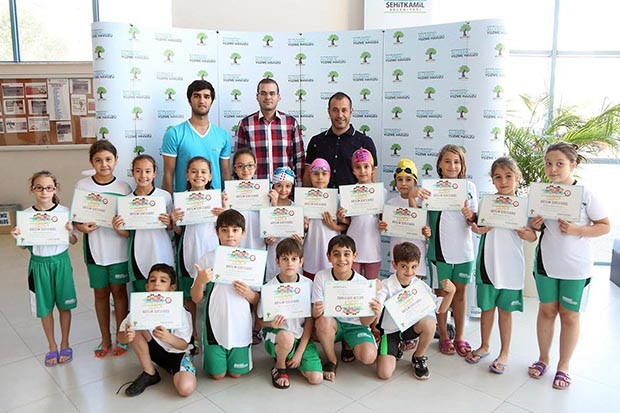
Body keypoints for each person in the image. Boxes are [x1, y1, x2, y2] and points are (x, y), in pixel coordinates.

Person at [527, 142, 609, 390]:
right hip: (546, 264)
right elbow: (531, 227)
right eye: (549, 163)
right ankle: (543, 358)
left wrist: (577, 230)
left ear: (573, 165)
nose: (553, 169)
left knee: (570, 316)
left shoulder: (586, 195)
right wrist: (535, 225)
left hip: (576, 267)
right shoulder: (541, 194)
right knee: (547, 311)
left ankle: (564, 366)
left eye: (559, 164)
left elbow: (604, 226)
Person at [465, 157, 537, 374]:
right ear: (492, 180)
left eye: (508, 176)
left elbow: (532, 237)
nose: (503, 181)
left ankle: (504, 352)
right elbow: (478, 229)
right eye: (498, 177)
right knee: (486, 309)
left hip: (511, 266)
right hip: (487, 264)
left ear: (517, 177)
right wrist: (476, 227)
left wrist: (526, 233)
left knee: (505, 311)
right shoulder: (487, 203)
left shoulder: (525, 206)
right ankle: (485, 346)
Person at [10, 171, 78, 367]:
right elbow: (24, 246)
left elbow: (74, 241)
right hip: (38, 265)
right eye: (39, 188)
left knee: (64, 305)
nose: (44, 192)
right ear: (32, 189)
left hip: (61, 263)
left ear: (55, 189)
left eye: (49, 188)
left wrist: (69, 232)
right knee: (45, 308)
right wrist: (18, 237)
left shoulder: (64, 212)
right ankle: (52, 346)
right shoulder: (26, 216)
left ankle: (65, 343)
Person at [74, 140, 132, 358]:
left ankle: (121, 337)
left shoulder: (124, 188)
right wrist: (82, 227)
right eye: (98, 160)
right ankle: (105, 338)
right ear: (91, 162)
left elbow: (130, 221)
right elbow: (76, 219)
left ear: (116, 160)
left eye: (108, 159)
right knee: (100, 293)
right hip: (95, 249)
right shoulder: (83, 186)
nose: (104, 164)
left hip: (118, 249)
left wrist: (121, 226)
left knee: (119, 292)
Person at [190, 209, 260, 379]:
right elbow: (196, 298)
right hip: (214, 323)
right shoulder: (207, 259)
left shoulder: (250, 259)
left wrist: (248, 293)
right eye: (224, 230)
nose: (230, 235)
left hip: (240, 324)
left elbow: (256, 299)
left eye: (235, 230)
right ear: (217, 232)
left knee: (236, 374)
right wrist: (200, 281)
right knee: (218, 375)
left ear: (243, 233)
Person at [424, 144, 477, 358]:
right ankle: (444, 335)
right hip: (439, 253)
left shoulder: (469, 187)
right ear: (439, 164)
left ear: (462, 165)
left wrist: (470, 216)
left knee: (461, 295)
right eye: (447, 161)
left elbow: (476, 220)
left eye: (456, 162)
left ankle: (460, 337)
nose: (452, 166)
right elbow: (419, 216)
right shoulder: (431, 188)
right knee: (442, 294)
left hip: (464, 252)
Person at [376, 242, 455, 380]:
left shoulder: (419, 285)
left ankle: (418, 357)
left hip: (410, 329)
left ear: (418, 265)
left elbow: (440, 308)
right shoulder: (386, 285)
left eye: (413, 267)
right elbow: (379, 302)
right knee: (384, 374)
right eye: (404, 266)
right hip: (390, 332)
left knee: (430, 324)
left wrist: (451, 293)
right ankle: (394, 348)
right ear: (394, 265)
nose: (409, 272)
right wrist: (376, 303)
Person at [170, 156, 224, 350]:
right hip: (189, 251)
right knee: (189, 295)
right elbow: (178, 231)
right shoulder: (181, 200)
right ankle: (191, 334)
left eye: (203, 172)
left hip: (212, 250)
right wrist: (174, 220)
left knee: (214, 293)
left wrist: (223, 214)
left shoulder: (217, 199)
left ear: (210, 176)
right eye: (193, 171)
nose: (198, 175)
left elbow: (226, 229)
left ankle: (215, 333)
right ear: (187, 175)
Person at [311, 234, 381, 381]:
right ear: (329, 257)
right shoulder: (321, 277)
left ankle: (348, 342)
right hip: (333, 324)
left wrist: (374, 313)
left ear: (355, 256)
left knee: (369, 357)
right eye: (336, 254)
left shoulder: (363, 284)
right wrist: (316, 311)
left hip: (355, 326)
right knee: (322, 321)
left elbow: (365, 322)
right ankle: (331, 360)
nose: (342, 259)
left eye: (347, 254)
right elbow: (316, 314)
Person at [121, 264, 196, 397]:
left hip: (178, 353)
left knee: (186, 389)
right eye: (152, 280)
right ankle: (149, 372)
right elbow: (120, 336)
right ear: (147, 286)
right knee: (134, 326)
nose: (157, 284)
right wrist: (126, 337)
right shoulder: (139, 310)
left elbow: (183, 345)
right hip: (155, 351)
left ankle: (178, 370)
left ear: (172, 288)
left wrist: (169, 338)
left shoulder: (180, 312)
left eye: (163, 281)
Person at [257, 238, 323, 389]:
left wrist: (299, 352)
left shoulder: (308, 284)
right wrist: (271, 324)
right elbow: (260, 320)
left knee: (316, 378)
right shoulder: (269, 288)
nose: (289, 263)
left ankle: (293, 356)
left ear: (301, 262)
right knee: (286, 337)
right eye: (285, 259)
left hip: (300, 336)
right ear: (277, 261)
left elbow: (309, 321)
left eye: (294, 259)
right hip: (278, 335)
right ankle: (280, 366)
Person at [112, 155, 174, 293]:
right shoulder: (126, 201)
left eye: (148, 171)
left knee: (164, 287)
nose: (143, 175)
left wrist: (169, 223)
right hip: (138, 250)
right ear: (132, 172)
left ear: (155, 173)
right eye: (138, 171)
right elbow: (128, 233)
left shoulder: (165, 196)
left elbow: (171, 228)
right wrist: (117, 228)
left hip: (161, 248)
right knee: (141, 290)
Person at [161, 79, 231, 193]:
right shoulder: (174, 134)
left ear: (211, 101)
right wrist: (168, 201)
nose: (202, 100)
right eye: (197, 96)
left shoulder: (223, 135)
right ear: (189, 100)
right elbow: (168, 174)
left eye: (206, 97)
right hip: (185, 201)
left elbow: (225, 173)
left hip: (215, 201)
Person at [235, 78, 305, 185]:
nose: (268, 97)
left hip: (284, 190)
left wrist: (298, 186)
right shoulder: (245, 124)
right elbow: (238, 161)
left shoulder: (291, 123)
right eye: (263, 93)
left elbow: (299, 158)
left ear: (278, 97)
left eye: (272, 93)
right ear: (257, 97)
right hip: (255, 189)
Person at [303, 92, 377, 188]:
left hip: (355, 197)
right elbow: (307, 180)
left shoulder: (365, 142)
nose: (340, 115)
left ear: (351, 111)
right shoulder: (316, 141)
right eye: (335, 110)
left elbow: (372, 181)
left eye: (344, 110)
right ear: (329, 111)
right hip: (322, 197)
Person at [379, 158, 431, 279]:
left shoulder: (423, 202)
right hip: (398, 254)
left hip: (416, 253)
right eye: (399, 179)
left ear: (415, 182)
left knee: (415, 287)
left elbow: (422, 225)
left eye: (408, 180)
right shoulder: (391, 203)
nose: (403, 183)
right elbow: (385, 228)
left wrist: (427, 231)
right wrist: (382, 226)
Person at [336, 149, 383, 280]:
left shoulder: (381, 192)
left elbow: (383, 220)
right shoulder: (347, 194)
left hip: (373, 248)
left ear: (372, 169)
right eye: (358, 167)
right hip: (353, 246)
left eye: (366, 166)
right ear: (353, 170)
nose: (362, 171)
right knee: (353, 285)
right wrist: (342, 218)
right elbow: (350, 221)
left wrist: (384, 224)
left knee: (372, 285)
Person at [302, 158, 347, 280]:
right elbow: (300, 228)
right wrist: (304, 227)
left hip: (331, 246)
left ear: (330, 176)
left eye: (324, 173)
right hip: (311, 248)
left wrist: (335, 226)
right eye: (316, 174)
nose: (320, 177)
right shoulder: (303, 198)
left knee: (330, 282)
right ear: (310, 176)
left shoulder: (337, 198)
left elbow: (348, 224)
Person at [265, 166, 303, 283]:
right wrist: (267, 240)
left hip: (292, 253)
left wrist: (300, 239)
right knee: (274, 283)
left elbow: (302, 234)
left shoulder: (296, 207)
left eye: (288, 186)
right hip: (274, 250)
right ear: (273, 186)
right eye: (279, 186)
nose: (283, 190)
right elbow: (265, 229)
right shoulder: (267, 206)